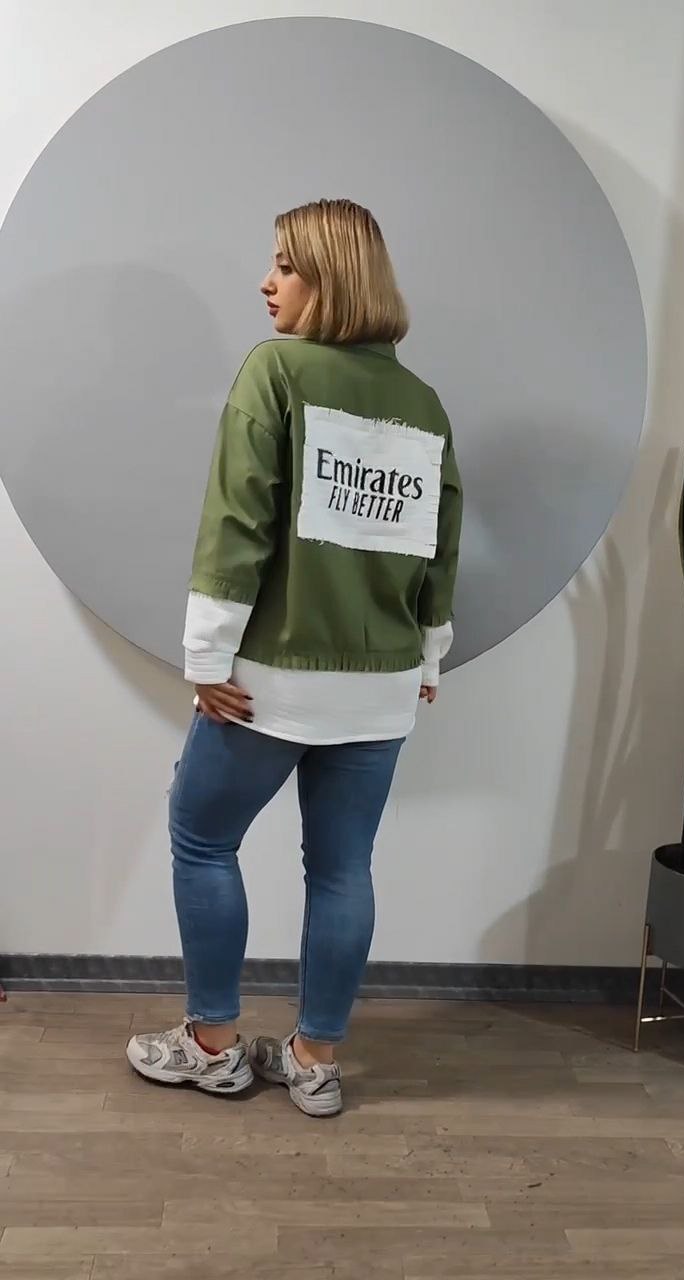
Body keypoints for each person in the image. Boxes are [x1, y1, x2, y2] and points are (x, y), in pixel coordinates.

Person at [127, 199, 463, 1116]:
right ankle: (314, 1062)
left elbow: (239, 520)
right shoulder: (423, 404)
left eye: (286, 264)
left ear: (332, 277)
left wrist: (206, 655)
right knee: (344, 870)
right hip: (384, 682)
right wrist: (430, 658)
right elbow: (439, 548)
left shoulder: (275, 371)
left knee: (202, 837)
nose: (266, 282)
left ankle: (211, 1047)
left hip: (269, 679)